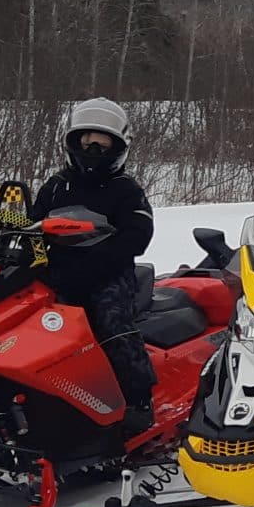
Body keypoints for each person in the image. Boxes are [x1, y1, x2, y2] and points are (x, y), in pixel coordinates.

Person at [30, 98, 159, 439]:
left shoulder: (125, 189)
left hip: (107, 273)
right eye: (87, 142)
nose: (94, 150)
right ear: (74, 143)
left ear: (118, 147)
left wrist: (103, 255)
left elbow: (138, 233)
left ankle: (138, 398)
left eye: (103, 144)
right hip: (57, 272)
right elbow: (34, 225)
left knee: (110, 320)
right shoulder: (57, 185)